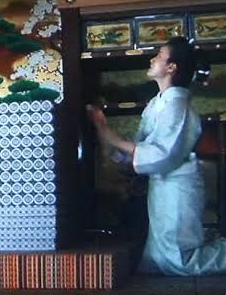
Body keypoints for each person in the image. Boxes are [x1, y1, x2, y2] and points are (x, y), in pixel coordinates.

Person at [87, 37, 226, 275]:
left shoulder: (178, 107)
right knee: (161, 256)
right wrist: (103, 130)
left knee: (181, 259)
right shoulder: (156, 104)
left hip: (178, 186)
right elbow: (140, 147)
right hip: (162, 187)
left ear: (171, 67)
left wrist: (112, 137)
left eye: (159, 56)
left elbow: (163, 155)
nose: (152, 60)